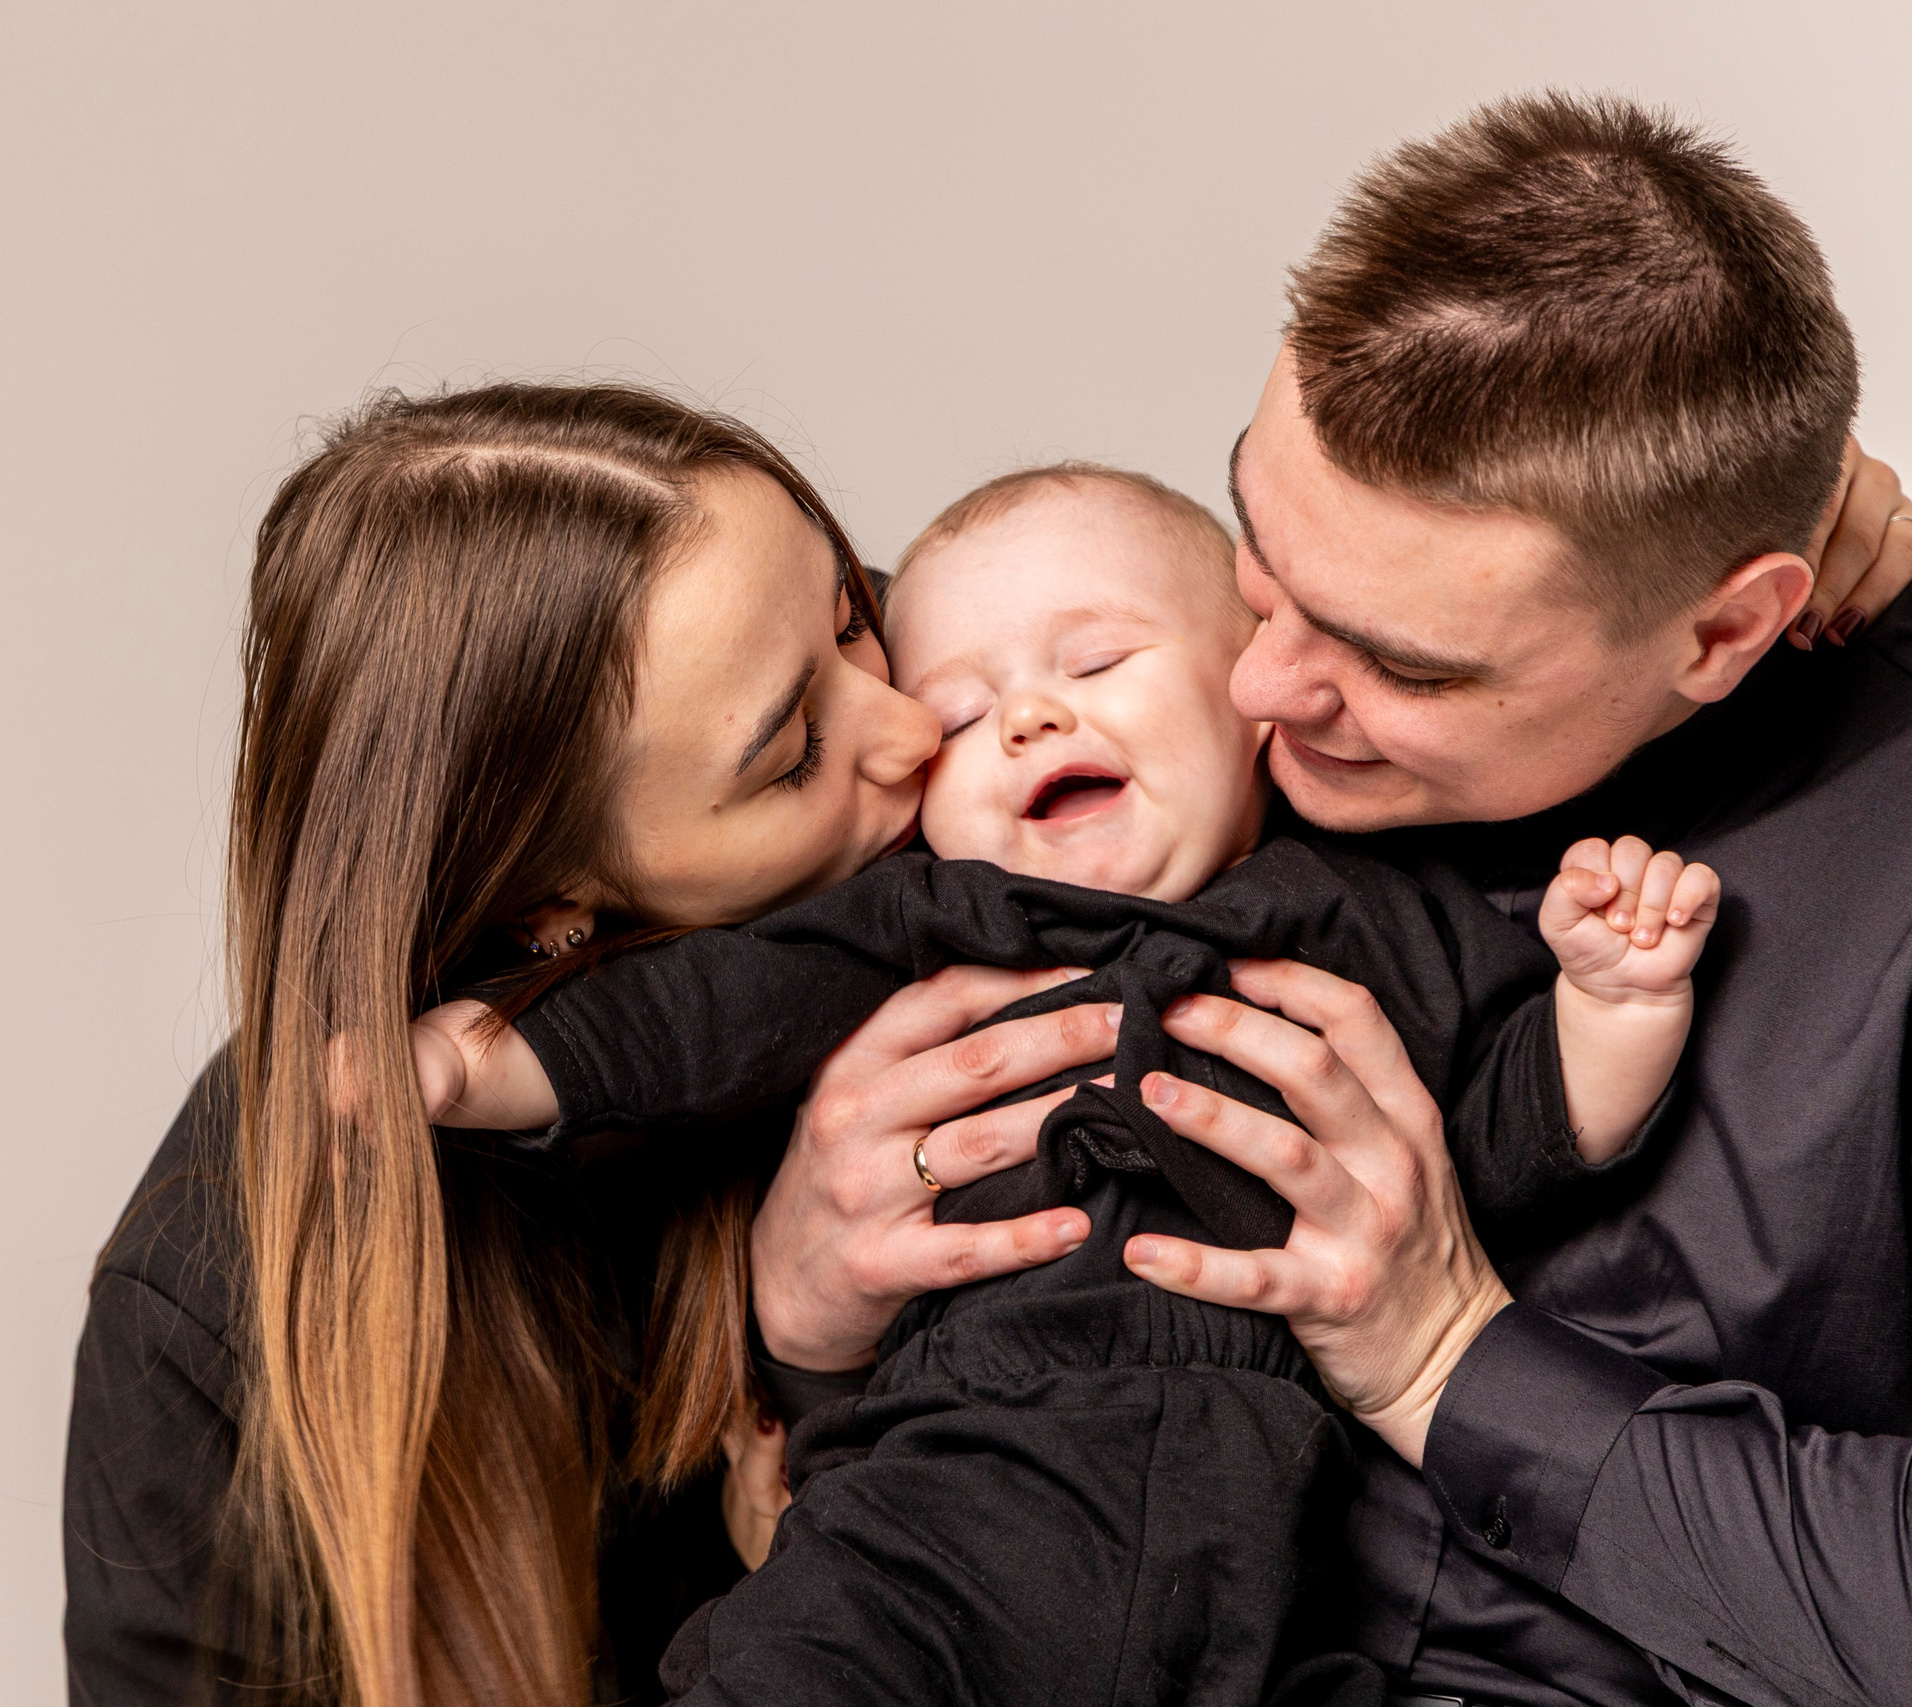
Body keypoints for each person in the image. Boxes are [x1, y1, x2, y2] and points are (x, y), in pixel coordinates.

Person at [402, 463, 1722, 1704]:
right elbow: (714, 1008)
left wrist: (1612, 1002)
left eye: (1098, 661)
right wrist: (487, 1062)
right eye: (965, 716)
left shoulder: (1371, 925)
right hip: (943, 1495)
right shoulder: (927, 926)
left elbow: (1503, 1139)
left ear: (1255, 695)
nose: (1031, 714)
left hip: (1271, 1550)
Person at [62, 380, 1120, 1707]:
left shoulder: (1006, 726)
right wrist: (792, 1373)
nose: (913, 727)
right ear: (548, 905)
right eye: (793, 757)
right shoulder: (215, 1311)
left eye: (852, 614)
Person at [1076, 94, 1912, 1705]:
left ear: (1726, 634)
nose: (1258, 682)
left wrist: (1445, 1361)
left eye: (1400, 664)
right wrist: (791, 1307)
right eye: (1259, 544)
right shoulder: (1138, 673)